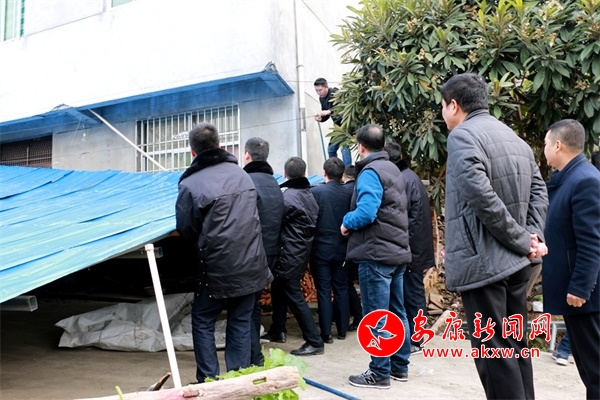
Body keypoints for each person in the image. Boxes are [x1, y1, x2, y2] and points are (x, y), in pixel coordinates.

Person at [441, 73, 548, 399]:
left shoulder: (462, 136)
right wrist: (532, 236)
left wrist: (522, 239)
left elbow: (481, 196)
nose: (443, 113)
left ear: (454, 105)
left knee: (495, 353)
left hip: (485, 264)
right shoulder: (514, 138)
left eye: (443, 106)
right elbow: (539, 191)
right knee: (515, 344)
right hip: (516, 264)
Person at [176, 122, 273, 382]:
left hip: (216, 267)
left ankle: (208, 381)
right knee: (240, 321)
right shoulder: (242, 175)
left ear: (192, 152)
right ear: (220, 146)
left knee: (203, 320)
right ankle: (238, 382)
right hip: (252, 262)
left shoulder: (190, 184)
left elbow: (186, 229)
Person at [341, 124, 412, 389]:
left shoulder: (370, 172)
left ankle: (379, 372)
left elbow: (367, 212)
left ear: (360, 147)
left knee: (376, 315)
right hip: (396, 251)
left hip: (376, 253)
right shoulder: (393, 169)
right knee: (397, 311)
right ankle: (399, 367)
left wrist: (346, 222)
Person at [542, 119, 600, 399]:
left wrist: (580, 287)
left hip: (585, 298)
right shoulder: (570, 179)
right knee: (589, 371)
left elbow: (592, 241)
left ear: (557, 145)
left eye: (545, 143)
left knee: (596, 371)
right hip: (574, 294)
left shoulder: (585, 180)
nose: (543, 148)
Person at [263, 156, 325, 356]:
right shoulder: (308, 194)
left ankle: (314, 341)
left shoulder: (288, 197)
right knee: (279, 289)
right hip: (299, 251)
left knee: (293, 295)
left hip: (288, 252)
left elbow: (274, 221)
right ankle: (278, 329)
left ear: (285, 174)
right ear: (304, 173)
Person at [384, 141, 435, 355]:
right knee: (412, 292)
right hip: (416, 245)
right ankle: (415, 336)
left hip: (411, 247)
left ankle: (416, 338)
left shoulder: (401, 181)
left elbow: (403, 218)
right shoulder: (410, 177)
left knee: (412, 294)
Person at [242, 137, 285, 366]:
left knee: (245, 308)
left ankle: (252, 357)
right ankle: (254, 354)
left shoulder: (245, 181)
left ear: (247, 155)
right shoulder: (274, 183)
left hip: (250, 252)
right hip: (270, 252)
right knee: (254, 303)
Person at [310, 157, 352, 343]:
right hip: (342, 248)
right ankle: (342, 330)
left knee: (324, 291)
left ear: (324, 173)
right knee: (341, 288)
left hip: (320, 249)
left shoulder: (316, 193)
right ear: (342, 175)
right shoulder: (349, 194)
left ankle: (326, 333)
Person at [341, 165, 363, 330]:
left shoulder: (343, 192)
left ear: (344, 176)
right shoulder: (361, 191)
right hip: (364, 245)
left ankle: (358, 316)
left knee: (346, 283)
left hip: (346, 244)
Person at [314, 77, 352, 166]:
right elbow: (326, 114)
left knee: (344, 149)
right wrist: (321, 119)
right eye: (316, 91)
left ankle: (348, 171)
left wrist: (329, 111)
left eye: (320, 90)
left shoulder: (335, 92)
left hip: (346, 123)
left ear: (326, 87)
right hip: (337, 126)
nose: (319, 93)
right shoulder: (321, 99)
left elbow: (342, 107)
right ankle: (335, 169)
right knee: (331, 149)